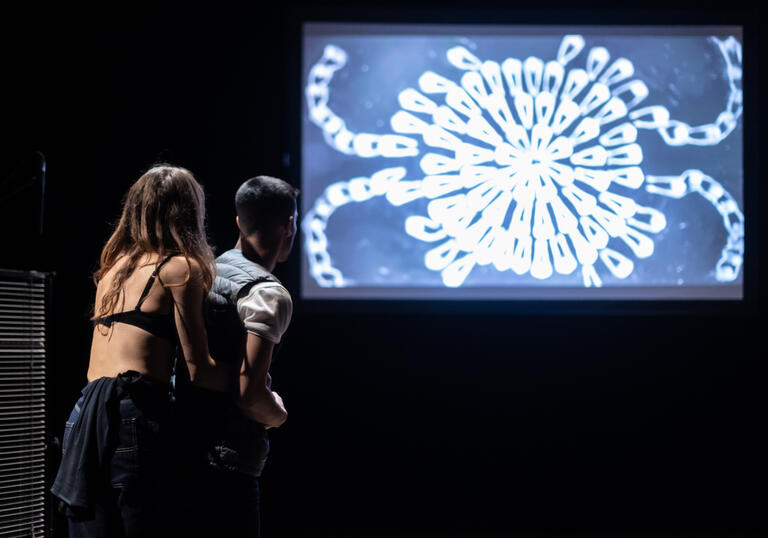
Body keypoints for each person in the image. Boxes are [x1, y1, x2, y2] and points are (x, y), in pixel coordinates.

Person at [51, 165, 226, 538]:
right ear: (189, 212)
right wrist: (250, 381)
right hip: (134, 412)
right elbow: (198, 369)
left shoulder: (111, 270)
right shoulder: (180, 268)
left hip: (85, 416)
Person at [176, 175, 297, 538]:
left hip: (179, 452)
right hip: (228, 466)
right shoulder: (267, 294)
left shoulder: (198, 272)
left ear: (239, 222)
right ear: (289, 225)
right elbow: (250, 395)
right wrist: (277, 413)